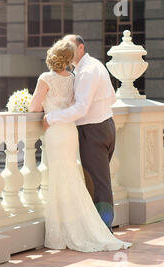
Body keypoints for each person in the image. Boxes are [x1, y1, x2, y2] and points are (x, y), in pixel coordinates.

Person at [29, 38, 131, 252]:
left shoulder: (83, 73)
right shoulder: (91, 68)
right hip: (104, 126)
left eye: (74, 47)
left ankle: (101, 231)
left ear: (81, 47)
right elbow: (111, 97)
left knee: (96, 183)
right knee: (92, 180)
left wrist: (52, 118)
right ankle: (96, 228)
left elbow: (81, 108)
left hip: (90, 130)